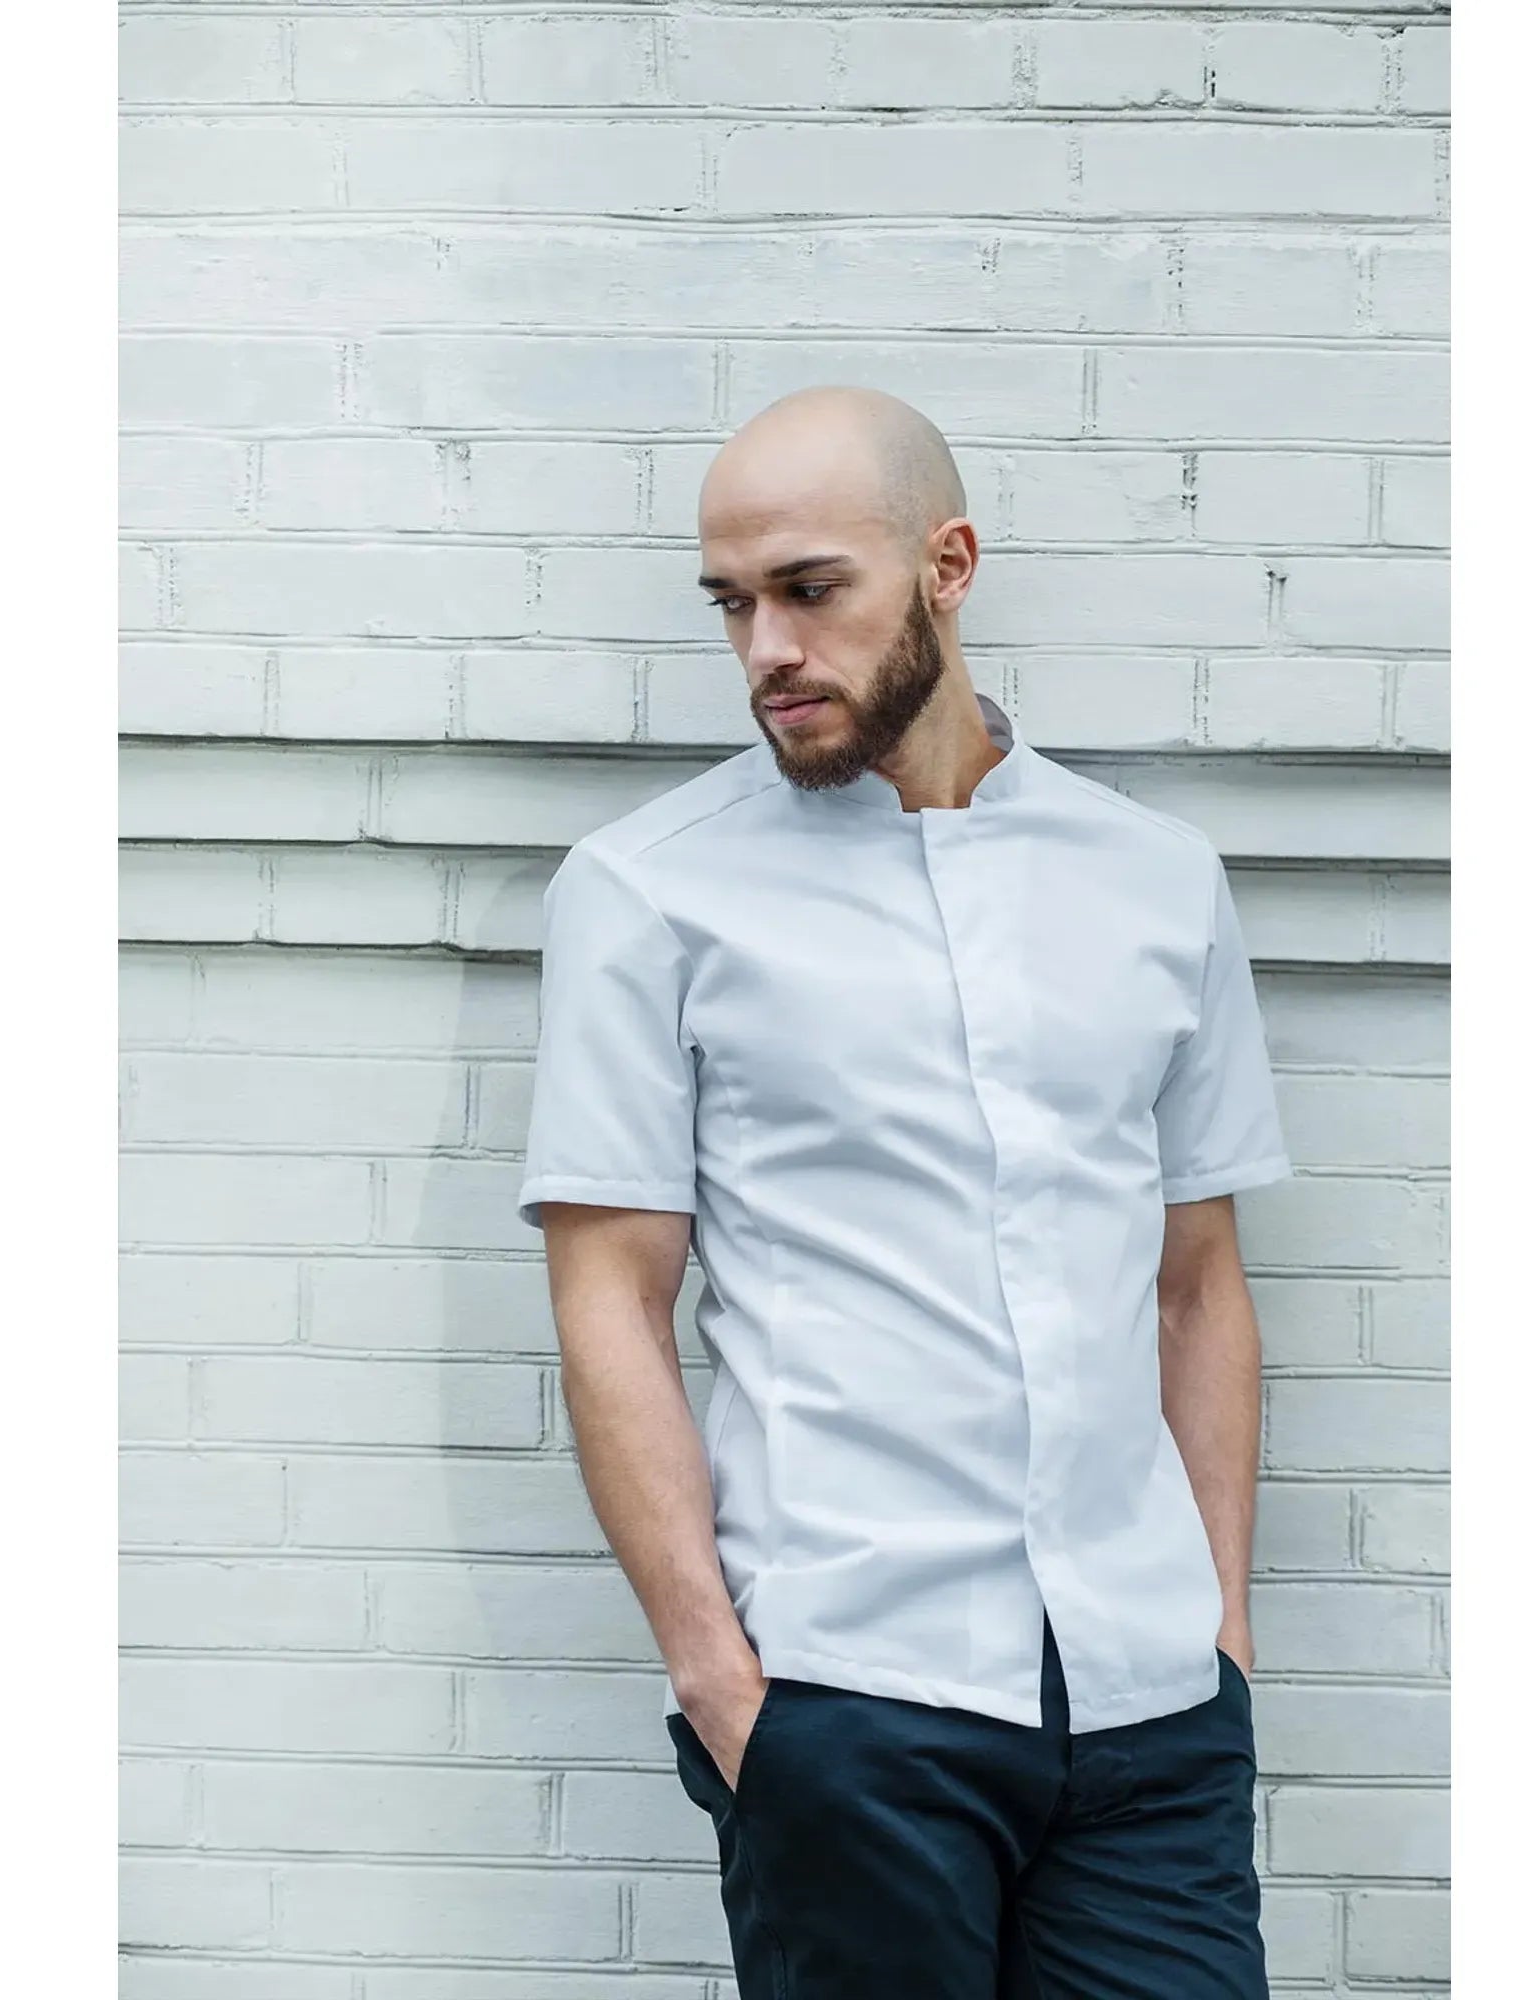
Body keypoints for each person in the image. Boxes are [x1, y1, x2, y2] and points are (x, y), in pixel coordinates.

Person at [515, 385, 1293, 1997]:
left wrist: (1217, 1633)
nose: (768, 650)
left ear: (948, 566)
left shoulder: (1156, 881)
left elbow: (1198, 1284)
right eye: (734, 604)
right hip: (847, 1706)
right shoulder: (649, 892)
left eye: (810, 590)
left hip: (1149, 1708)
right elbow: (610, 1302)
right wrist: (727, 1692)